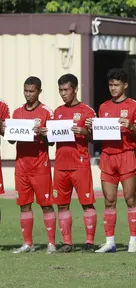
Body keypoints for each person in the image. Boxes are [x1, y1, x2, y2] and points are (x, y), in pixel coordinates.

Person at [89, 68, 136, 253]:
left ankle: (133, 241)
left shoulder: (135, 106)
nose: (113, 88)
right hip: (107, 156)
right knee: (109, 200)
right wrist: (92, 127)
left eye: (117, 85)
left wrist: (131, 127)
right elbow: (99, 132)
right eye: (111, 85)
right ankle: (110, 242)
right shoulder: (103, 107)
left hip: (126, 155)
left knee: (130, 199)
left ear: (125, 85)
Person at [50, 74, 97, 253]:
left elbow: (96, 137)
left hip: (80, 164)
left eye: (66, 90)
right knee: (62, 204)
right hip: (61, 165)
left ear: (75, 89)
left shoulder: (87, 111)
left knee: (86, 203)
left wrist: (85, 131)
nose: (63, 94)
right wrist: (46, 133)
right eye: (60, 90)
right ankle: (68, 243)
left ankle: (89, 242)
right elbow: (52, 140)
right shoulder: (57, 112)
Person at [11, 76, 56, 254]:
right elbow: (12, 139)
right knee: (24, 204)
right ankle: (28, 243)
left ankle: (51, 243)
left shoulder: (46, 112)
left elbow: (53, 141)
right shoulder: (17, 113)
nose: (28, 94)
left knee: (45, 204)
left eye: (32, 91)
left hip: (40, 165)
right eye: (26, 91)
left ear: (39, 91)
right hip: (21, 165)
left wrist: (45, 134)